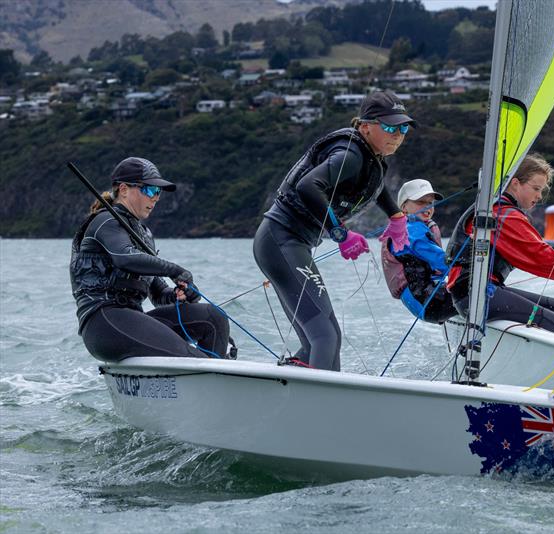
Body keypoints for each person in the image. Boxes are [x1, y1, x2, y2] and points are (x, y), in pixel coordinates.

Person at [253, 90, 414, 371]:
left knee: (318, 340)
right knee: (325, 337)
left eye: (403, 128)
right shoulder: (350, 154)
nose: (398, 135)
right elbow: (308, 186)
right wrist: (339, 233)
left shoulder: (370, 156)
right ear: (365, 126)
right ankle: (320, 409)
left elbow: (374, 188)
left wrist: (397, 216)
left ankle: (291, 392)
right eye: (389, 127)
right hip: (280, 240)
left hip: (287, 243)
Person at [70, 157, 232, 361]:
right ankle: (207, 376)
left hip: (132, 320)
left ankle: (213, 381)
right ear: (124, 189)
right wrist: (174, 269)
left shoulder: (143, 233)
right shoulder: (105, 222)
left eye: (158, 192)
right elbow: (125, 258)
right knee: (195, 358)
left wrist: (177, 295)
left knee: (214, 317)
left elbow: (157, 292)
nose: (155, 198)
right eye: (149, 190)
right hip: (104, 323)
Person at [446, 154, 554, 341]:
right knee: (552, 320)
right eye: (536, 188)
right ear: (515, 183)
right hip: (472, 295)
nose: (539, 196)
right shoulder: (501, 213)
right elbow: (539, 255)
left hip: (483, 290)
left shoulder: (500, 210)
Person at [381, 179, 457, 323]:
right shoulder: (410, 231)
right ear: (404, 207)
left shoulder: (416, 227)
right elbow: (441, 260)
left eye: (430, 203)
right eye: (420, 202)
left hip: (428, 300)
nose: (427, 207)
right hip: (430, 303)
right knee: (483, 292)